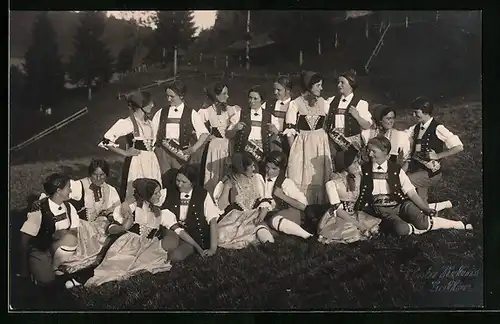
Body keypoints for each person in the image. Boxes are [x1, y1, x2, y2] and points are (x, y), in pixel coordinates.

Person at [354, 136, 472, 236]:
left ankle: (458, 225)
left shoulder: (395, 170)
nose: (370, 154)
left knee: (422, 222)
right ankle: (413, 227)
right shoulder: (364, 169)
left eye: (373, 151)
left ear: (385, 152)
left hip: (401, 204)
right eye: (369, 151)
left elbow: (410, 191)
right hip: (381, 209)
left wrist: (424, 208)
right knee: (401, 229)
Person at [36, 159, 122, 274]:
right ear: (89, 174)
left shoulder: (110, 190)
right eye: (95, 175)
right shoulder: (79, 186)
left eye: (102, 175)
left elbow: (116, 211)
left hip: (100, 227)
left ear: (106, 175)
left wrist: (111, 216)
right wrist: (41, 202)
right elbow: (56, 193)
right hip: (80, 227)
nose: (98, 178)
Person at [83, 178, 171, 287]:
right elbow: (110, 228)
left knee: (148, 265)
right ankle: (83, 278)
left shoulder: (159, 212)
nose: (159, 195)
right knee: (114, 270)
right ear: (147, 195)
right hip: (129, 245)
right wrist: (124, 227)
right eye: (156, 193)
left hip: (148, 246)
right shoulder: (132, 209)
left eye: (159, 192)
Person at [17, 173, 80, 288]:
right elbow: (24, 239)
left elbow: (74, 230)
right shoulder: (39, 210)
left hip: (56, 248)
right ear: (58, 190)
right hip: (40, 249)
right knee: (47, 281)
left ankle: (56, 267)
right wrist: (23, 269)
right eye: (68, 187)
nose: (70, 190)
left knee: (71, 239)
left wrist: (64, 234)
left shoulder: (69, 207)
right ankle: (37, 269)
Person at [98, 90, 162, 200]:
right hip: (136, 163)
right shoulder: (127, 123)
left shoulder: (151, 124)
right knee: (135, 192)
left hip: (151, 162)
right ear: (142, 105)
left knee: (152, 191)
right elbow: (106, 141)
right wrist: (125, 152)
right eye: (150, 103)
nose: (152, 105)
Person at [284, 71, 333, 205]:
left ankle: (319, 206)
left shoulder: (324, 103)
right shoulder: (296, 103)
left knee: (318, 176)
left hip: (320, 144)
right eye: (318, 85)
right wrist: (293, 152)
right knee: (300, 174)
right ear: (309, 86)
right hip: (303, 145)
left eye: (321, 85)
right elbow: (290, 131)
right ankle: (302, 205)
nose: (321, 88)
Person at [403, 97, 464, 204]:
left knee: (405, 180)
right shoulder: (416, 127)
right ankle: (434, 210)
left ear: (426, 112)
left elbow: (459, 146)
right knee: (420, 199)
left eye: (416, 112)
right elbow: (402, 136)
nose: (413, 115)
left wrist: (438, 156)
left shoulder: (438, 128)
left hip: (430, 173)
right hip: (417, 168)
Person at [318, 145, 381, 244]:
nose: (357, 166)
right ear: (345, 165)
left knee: (371, 226)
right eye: (354, 163)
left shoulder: (358, 177)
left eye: (358, 162)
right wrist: (358, 225)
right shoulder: (333, 183)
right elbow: (337, 209)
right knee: (350, 230)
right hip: (339, 215)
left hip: (355, 212)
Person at [214, 152, 276, 249]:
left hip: (255, 214)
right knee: (220, 234)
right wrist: (226, 189)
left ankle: (271, 246)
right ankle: (243, 242)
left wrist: (262, 213)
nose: (254, 169)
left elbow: (265, 199)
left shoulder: (257, 178)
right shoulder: (229, 181)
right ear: (242, 169)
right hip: (237, 217)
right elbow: (220, 207)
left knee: (259, 228)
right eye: (251, 167)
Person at [158, 165, 221, 262]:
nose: (179, 185)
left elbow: (213, 221)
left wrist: (213, 249)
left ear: (192, 182)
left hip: (192, 236)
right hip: (173, 230)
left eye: (184, 182)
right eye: (177, 180)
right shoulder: (168, 192)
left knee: (176, 257)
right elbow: (150, 197)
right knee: (168, 244)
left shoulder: (202, 195)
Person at [151, 80, 209, 182]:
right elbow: (152, 132)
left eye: (172, 96)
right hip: (162, 152)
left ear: (181, 96)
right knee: (164, 180)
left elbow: (204, 133)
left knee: (180, 181)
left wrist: (194, 148)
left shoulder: (191, 113)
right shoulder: (161, 111)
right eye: (167, 96)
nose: (168, 99)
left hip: (180, 153)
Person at [259, 151, 319, 241]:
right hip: (268, 214)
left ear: (281, 169)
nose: (269, 171)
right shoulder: (259, 178)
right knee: (260, 225)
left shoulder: (286, 183)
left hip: (289, 212)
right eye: (267, 167)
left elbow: (304, 206)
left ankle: (309, 237)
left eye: (274, 169)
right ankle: (269, 245)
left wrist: (282, 196)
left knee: (274, 220)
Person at [324, 69, 373, 171]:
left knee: (351, 170)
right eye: (338, 82)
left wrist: (357, 116)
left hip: (351, 145)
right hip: (333, 143)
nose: (339, 85)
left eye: (342, 82)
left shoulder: (361, 103)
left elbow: (367, 125)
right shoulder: (331, 101)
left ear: (351, 84)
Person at [198, 82, 240, 195]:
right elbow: (195, 127)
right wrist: (206, 136)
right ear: (216, 96)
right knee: (213, 176)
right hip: (214, 147)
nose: (227, 96)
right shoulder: (206, 111)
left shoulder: (233, 110)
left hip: (228, 145)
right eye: (224, 94)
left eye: (227, 93)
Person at [228, 85, 278, 176]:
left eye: (255, 98)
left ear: (262, 100)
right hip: (244, 152)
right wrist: (235, 128)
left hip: (262, 154)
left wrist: (276, 132)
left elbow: (273, 139)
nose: (252, 101)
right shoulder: (240, 114)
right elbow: (228, 134)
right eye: (250, 98)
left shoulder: (269, 116)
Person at [265, 75, 294, 155]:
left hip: (288, 144)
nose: (275, 92)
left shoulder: (295, 105)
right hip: (270, 143)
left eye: (279, 90)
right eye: (274, 89)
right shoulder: (269, 104)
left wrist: (278, 133)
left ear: (288, 90)